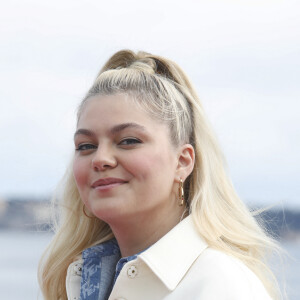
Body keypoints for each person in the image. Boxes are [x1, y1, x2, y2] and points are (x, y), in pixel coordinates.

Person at [38, 50, 281, 300]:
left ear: (182, 161)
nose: (100, 159)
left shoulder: (220, 285)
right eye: (85, 145)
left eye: (128, 140)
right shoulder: (78, 282)